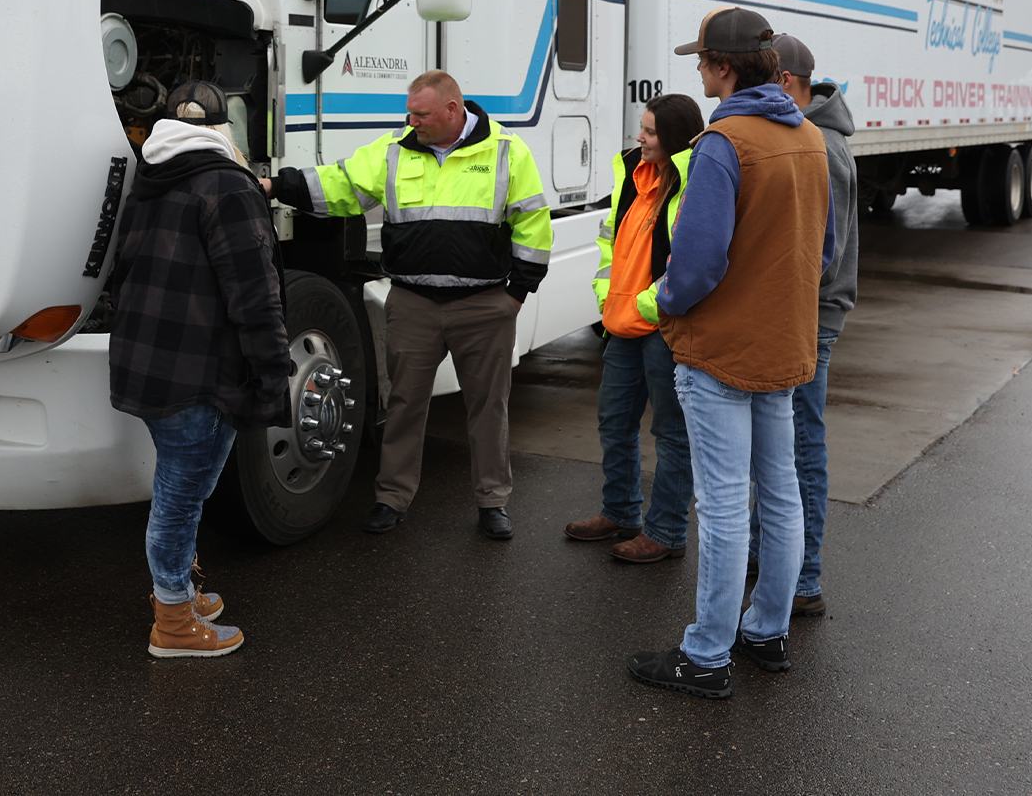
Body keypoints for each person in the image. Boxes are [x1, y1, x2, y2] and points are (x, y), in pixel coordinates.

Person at [628, 7, 833, 701]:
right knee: (781, 495)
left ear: (722, 67)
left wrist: (665, 303)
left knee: (719, 508)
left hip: (720, 352)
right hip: (783, 346)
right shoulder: (809, 138)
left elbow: (698, 263)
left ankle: (707, 655)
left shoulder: (723, 143)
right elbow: (823, 254)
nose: (698, 71)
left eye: (701, 61)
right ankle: (766, 631)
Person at [265, 70, 552, 539]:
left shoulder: (506, 151)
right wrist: (275, 186)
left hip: (483, 305)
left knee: (488, 408)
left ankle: (492, 502)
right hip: (414, 302)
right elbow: (338, 185)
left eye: (421, 114)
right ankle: (391, 498)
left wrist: (518, 292)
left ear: (453, 110)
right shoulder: (394, 151)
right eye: (410, 112)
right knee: (403, 405)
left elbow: (533, 222)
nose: (411, 120)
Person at [108, 80, 293, 659]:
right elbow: (253, 291)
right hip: (203, 368)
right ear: (222, 130)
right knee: (182, 495)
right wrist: (273, 366)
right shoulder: (226, 185)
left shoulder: (150, 177)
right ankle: (173, 623)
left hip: (151, 360)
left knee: (186, 484)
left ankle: (180, 590)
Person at [567, 93, 704, 564]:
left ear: (673, 138)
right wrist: (608, 298)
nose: (639, 138)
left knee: (671, 433)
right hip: (624, 323)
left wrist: (648, 306)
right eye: (640, 129)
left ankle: (665, 532)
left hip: (662, 325)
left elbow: (691, 259)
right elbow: (612, 242)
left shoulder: (693, 181)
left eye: (648, 131)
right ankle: (620, 513)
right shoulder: (631, 173)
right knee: (614, 422)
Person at [769, 33, 858, 618]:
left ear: (784, 84)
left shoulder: (821, 145)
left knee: (800, 445)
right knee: (781, 446)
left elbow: (823, 258)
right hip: (796, 317)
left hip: (809, 320)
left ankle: (804, 578)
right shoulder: (809, 136)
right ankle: (775, 560)